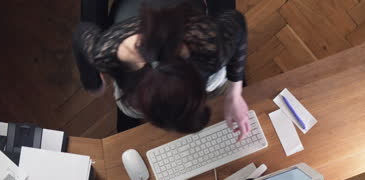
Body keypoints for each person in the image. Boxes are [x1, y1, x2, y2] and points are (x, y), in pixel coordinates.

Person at [73, 0, 250, 141]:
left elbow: (238, 23)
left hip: (189, 29)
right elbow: (81, 32)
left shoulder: (211, 44)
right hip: (127, 22)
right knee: (127, 111)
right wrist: (91, 80)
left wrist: (235, 92)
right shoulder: (106, 51)